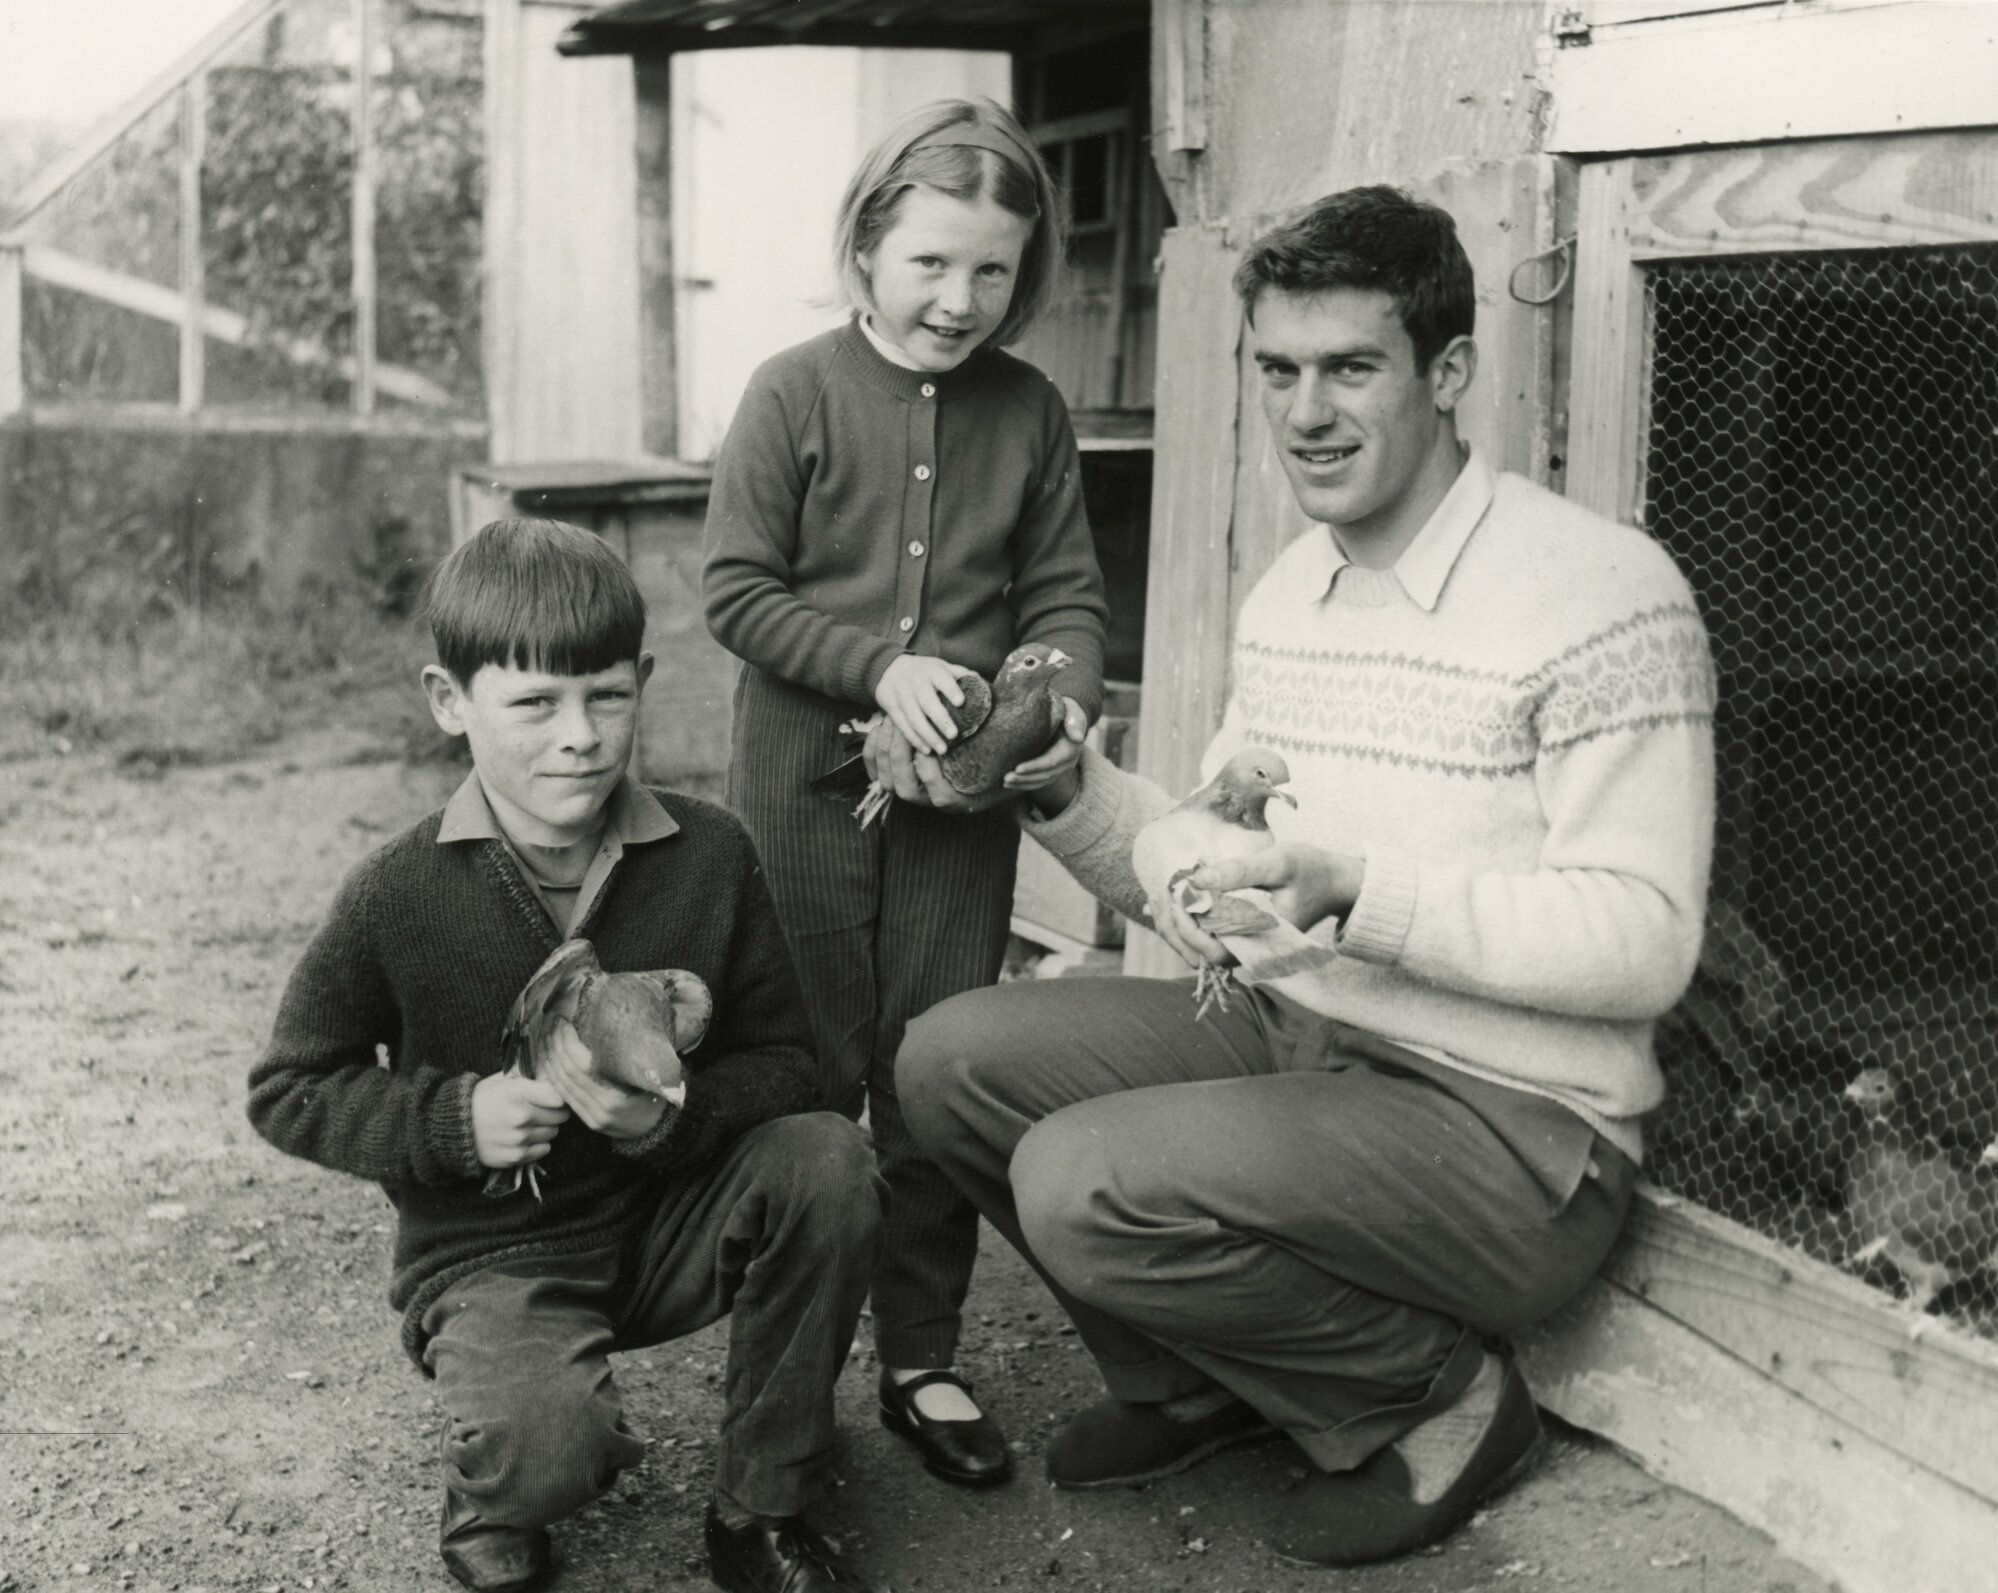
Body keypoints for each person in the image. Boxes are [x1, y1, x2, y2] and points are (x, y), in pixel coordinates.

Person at [895, 186, 1717, 1565]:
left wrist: (1353, 889)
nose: (1306, 412)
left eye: (1349, 367)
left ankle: (1441, 1402)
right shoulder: (1292, 592)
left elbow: (1643, 941)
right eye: (1277, 370)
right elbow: (1219, 854)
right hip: (1305, 1043)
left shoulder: (1599, 591)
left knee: (1084, 1178)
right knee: (950, 1061)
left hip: (1513, 1132)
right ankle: (1196, 1381)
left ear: (1446, 372)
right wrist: (1068, 792)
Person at [247, 517, 885, 1593]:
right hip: (498, 1256)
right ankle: (503, 1477)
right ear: (451, 702)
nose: (579, 736)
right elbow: (290, 1088)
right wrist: (456, 1121)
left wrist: (671, 1121)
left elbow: (792, 1068)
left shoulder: (711, 855)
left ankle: (761, 1504)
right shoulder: (395, 895)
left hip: (670, 1216)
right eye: (534, 703)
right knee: (550, 1459)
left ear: (641, 681)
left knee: (829, 1158)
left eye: (606, 696)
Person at [701, 97, 1108, 1487]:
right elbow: (734, 592)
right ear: (868, 245)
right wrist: (877, 667)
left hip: (956, 823)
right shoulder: (791, 393)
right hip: (798, 804)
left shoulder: (1029, 411)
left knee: (929, 1075)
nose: (959, 299)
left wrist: (1049, 697)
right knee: (807, 1084)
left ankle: (920, 1359)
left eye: (991, 270)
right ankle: (786, 1376)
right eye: (931, 262)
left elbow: (1062, 603)